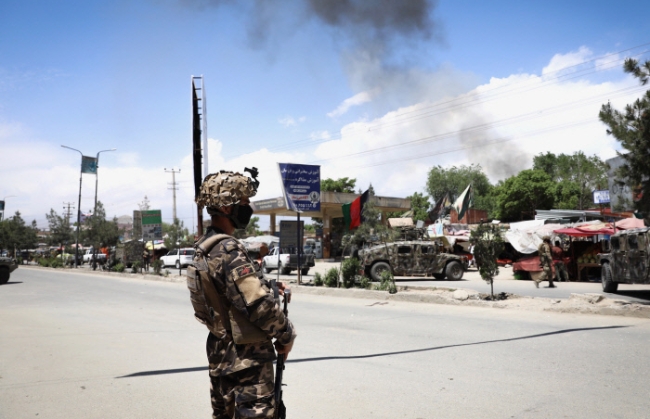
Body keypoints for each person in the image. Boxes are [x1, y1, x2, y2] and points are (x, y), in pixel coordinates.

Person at [189, 170, 296, 419]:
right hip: (247, 361)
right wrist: (286, 335)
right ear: (227, 208)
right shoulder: (229, 249)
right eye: (245, 203)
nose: (248, 208)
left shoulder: (205, 247)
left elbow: (226, 297)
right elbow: (259, 306)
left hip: (221, 357)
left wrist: (267, 286)